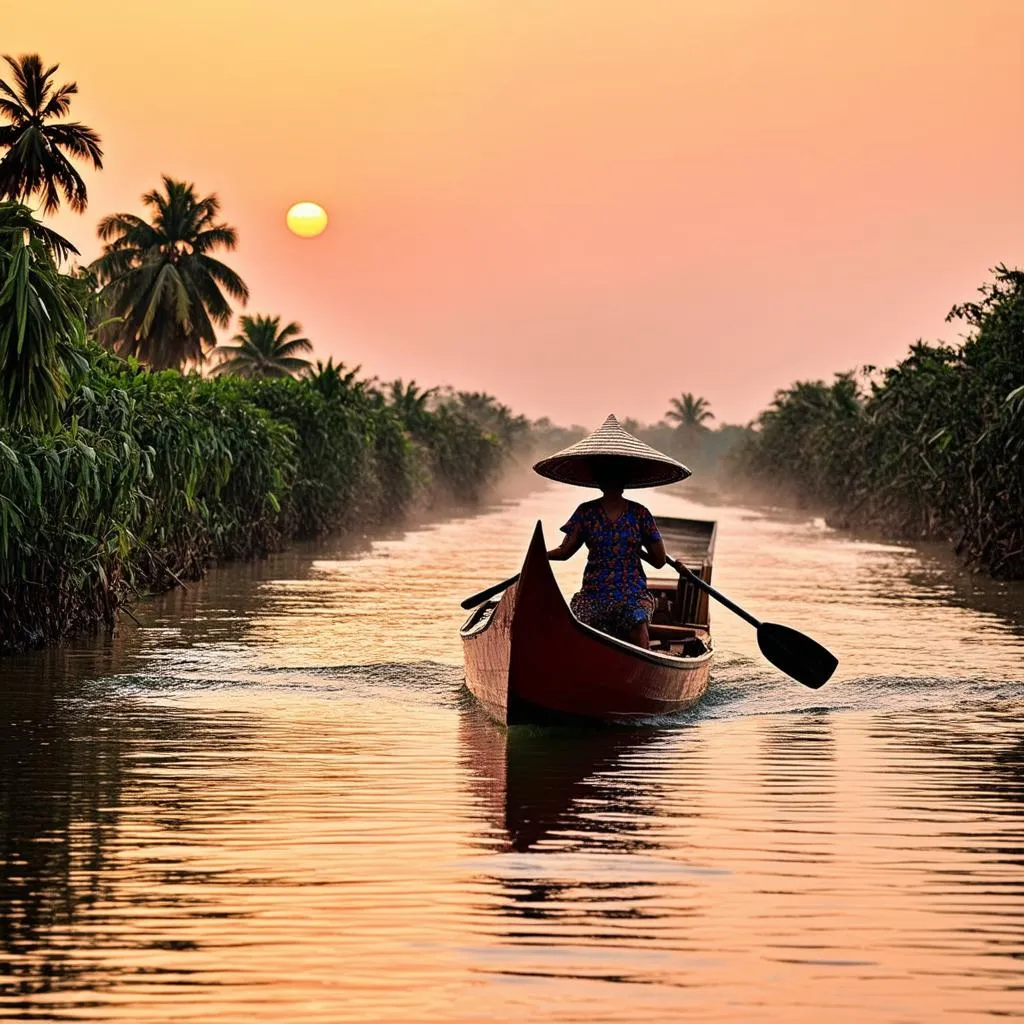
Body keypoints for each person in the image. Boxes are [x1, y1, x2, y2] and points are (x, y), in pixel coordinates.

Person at [546, 456, 667, 648]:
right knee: (577, 622)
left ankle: (641, 662)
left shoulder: (639, 513)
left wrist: (636, 549)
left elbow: (659, 560)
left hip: (631, 594)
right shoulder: (586, 512)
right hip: (594, 593)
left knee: (636, 619)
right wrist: (539, 555)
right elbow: (564, 552)